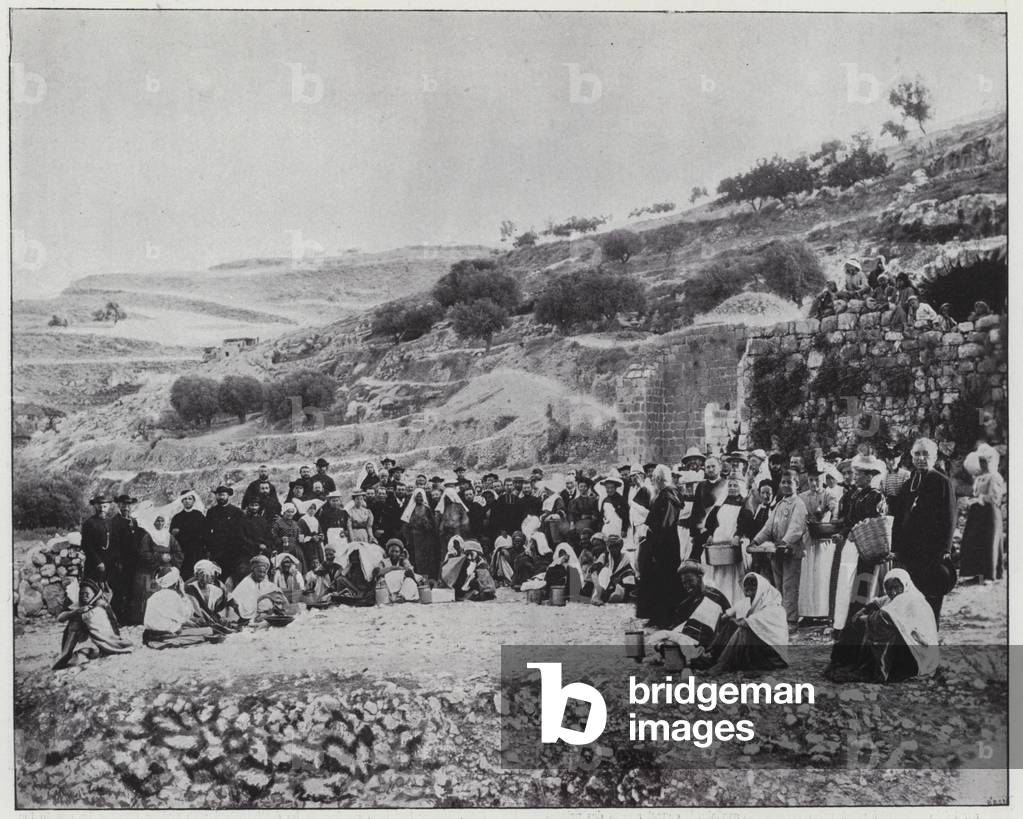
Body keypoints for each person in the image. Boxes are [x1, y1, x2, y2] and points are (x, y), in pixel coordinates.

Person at [825, 568, 938, 683]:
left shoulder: (908, 598)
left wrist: (864, 618)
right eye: (889, 588)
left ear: (905, 584)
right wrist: (864, 610)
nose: (893, 592)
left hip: (918, 653)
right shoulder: (897, 596)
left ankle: (879, 667)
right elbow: (879, 602)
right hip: (914, 646)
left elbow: (884, 617)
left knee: (882, 630)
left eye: (896, 587)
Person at [891, 438, 956, 625]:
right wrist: (896, 546)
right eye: (917, 454)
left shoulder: (941, 482)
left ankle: (930, 634)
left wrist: (945, 548)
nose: (921, 458)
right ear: (911, 457)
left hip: (932, 550)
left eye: (925, 454)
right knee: (912, 593)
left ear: (934, 457)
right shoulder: (910, 482)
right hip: (910, 550)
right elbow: (899, 516)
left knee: (932, 591)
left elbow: (950, 517)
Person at [749, 468, 809, 627]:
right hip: (776, 552)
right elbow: (768, 527)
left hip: (790, 551)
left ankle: (791, 620)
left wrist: (784, 542)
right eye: (783, 482)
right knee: (778, 586)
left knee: (789, 586)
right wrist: (756, 541)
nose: (786, 485)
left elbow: (796, 528)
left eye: (790, 482)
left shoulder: (799, 504)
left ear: (797, 485)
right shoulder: (779, 504)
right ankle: (780, 618)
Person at [647, 561, 730, 668]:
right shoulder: (691, 599)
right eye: (684, 583)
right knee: (666, 640)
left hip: (715, 639)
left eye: (690, 581)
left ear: (700, 577)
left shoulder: (712, 597)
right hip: (697, 636)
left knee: (672, 642)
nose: (687, 586)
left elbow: (702, 632)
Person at [705, 573, 789, 673]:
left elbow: (746, 623)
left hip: (773, 657)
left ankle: (722, 664)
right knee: (731, 624)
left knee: (744, 629)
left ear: (761, 590)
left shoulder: (775, 609)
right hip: (758, 649)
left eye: (753, 590)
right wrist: (728, 618)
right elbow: (725, 616)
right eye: (746, 590)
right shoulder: (749, 602)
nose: (749, 593)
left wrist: (737, 620)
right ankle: (713, 655)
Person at [636, 464, 684, 629]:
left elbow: (665, 523)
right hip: (661, 542)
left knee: (665, 580)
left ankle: (665, 617)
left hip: (664, 544)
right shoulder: (665, 494)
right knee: (655, 579)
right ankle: (656, 615)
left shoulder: (668, 495)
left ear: (658, 479)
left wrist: (655, 543)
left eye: (655, 478)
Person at [52, 579, 133, 670]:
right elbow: (60, 618)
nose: (84, 596)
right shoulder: (79, 606)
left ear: (93, 594)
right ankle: (69, 655)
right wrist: (76, 611)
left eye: (87, 594)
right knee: (76, 624)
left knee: (81, 624)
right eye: (81, 594)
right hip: (84, 640)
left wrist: (116, 636)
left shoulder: (101, 606)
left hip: (103, 639)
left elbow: (111, 623)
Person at [797, 468, 839, 622]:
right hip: (809, 538)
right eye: (811, 480)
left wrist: (832, 518)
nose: (814, 483)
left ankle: (823, 611)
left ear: (823, 479)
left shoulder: (828, 494)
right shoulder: (802, 496)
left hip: (823, 537)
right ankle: (808, 612)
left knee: (822, 573)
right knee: (808, 573)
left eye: (817, 480)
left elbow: (835, 508)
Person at [959, 444, 1005, 583]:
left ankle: (989, 575)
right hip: (978, 513)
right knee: (975, 540)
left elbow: (994, 497)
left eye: (985, 461)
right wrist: (972, 501)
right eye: (981, 461)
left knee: (988, 541)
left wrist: (977, 500)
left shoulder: (994, 477)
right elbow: (976, 494)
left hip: (990, 513)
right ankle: (976, 574)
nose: (982, 464)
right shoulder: (979, 478)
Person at [128, 515, 184, 627]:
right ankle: (148, 619)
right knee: (150, 593)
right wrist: (159, 558)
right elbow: (144, 553)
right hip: (151, 569)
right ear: (153, 522)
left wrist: (170, 558)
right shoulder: (148, 536)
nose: (160, 523)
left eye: (162, 521)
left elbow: (178, 552)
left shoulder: (169, 537)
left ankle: (166, 617)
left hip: (167, 569)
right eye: (157, 520)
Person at [143, 567, 218, 649]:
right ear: (176, 583)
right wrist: (183, 593)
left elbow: (176, 617)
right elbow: (187, 614)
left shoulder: (154, 596)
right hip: (165, 634)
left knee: (195, 628)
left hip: (149, 634)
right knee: (209, 631)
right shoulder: (173, 596)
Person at [701, 475, 746, 606]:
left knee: (731, 575)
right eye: (730, 485)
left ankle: (732, 603)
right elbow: (711, 521)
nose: (732, 488)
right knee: (718, 575)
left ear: (741, 487)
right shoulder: (721, 503)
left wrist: (738, 535)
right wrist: (710, 534)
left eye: (735, 485)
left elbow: (744, 521)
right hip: (718, 543)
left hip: (732, 543)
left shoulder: (744, 503)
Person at [111, 494, 143, 624]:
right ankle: (118, 617)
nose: (126, 507)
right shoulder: (115, 522)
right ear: (119, 505)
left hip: (133, 561)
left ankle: (130, 617)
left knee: (131, 589)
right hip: (121, 562)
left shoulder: (133, 521)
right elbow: (114, 544)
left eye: (128, 504)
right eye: (123, 504)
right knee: (119, 589)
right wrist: (117, 561)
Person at [204, 486, 245, 588]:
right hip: (216, 550)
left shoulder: (237, 512)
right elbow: (207, 532)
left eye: (223, 495)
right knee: (218, 577)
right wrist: (209, 549)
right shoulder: (211, 512)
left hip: (233, 551)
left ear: (228, 496)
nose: (220, 497)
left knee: (233, 577)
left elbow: (241, 532)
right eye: (218, 495)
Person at [689, 456, 728, 563]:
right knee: (694, 563)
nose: (710, 469)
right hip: (700, 531)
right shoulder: (701, 485)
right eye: (708, 467)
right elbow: (695, 509)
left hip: (717, 532)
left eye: (713, 466)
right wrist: (693, 532)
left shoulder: (726, 485)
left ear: (720, 467)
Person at [80, 494, 119, 591]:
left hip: (108, 565)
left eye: (105, 506)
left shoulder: (111, 522)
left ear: (109, 507)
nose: (102, 509)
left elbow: (114, 543)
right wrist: (98, 562)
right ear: (95, 507)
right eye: (99, 506)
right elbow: (86, 545)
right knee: (90, 592)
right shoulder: (89, 523)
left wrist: (112, 560)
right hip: (93, 564)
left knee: (108, 594)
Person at [401, 488, 441, 580]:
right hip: (414, 537)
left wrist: (426, 523)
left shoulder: (426, 509)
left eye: (421, 496)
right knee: (415, 558)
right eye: (417, 496)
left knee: (426, 558)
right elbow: (406, 524)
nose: (419, 498)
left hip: (425, 538)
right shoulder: (410, 509)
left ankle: (427, 577)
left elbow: (433, 525)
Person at [184, 560, 236, 629]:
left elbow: (228, 603)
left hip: (214, 624)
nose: (204, 578)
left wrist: (225, 618)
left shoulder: (219, 588)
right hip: (196, 626)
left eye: (208, 575)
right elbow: (183, 612)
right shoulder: (189, 588)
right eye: (202, 574)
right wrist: (195, 619)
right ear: (196, 574)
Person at [229, 555, 281, 623]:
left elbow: (273, 592)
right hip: (251, 619)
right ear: (253, 570)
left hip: (266, 616)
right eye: (260, 572)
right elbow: (244, 609)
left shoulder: (264, 582)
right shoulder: (247, 583)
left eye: (264, 572)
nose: (262, 575)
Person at [170, 490, 207, 580]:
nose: (187, 501)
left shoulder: (199, 516)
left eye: (190, 499)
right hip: (182, 552)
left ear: (193, 501)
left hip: (196, 552)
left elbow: (205, 534)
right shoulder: (177, 517)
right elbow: (171, 535)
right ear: (182, 501)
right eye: (185, 499)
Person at [590, 535, 636, 604]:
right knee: (605, 571)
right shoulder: (604, 556)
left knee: (625, 582)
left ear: (620, 547)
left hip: (618, 584)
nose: (614, 549)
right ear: (609, 548)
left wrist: (618, 581)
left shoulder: (625, 560)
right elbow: (594, 570)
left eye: (616, 547)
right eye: (611, 547)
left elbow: (629, 577)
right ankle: (597, 597)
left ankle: (616, 597)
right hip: (602, 586)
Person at [271, 503, 304, 571]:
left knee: (297, 569)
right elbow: (273, 536)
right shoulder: (278, 523)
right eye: (288, 511)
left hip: (296, 550)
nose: (290, 514)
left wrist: (301, 539)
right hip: (283, 548)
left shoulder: (295, 524)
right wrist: (281, 540)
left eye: (292, 512)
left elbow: (300, 535)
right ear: (284, 512)